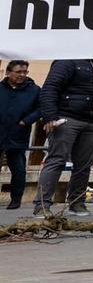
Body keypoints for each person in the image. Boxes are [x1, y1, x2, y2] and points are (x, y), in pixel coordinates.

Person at [34, 59, 93, 217]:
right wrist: (50, 116)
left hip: (92, 120)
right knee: (56, 161)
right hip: (66, 118)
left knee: (84, 165)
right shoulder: (66, 62)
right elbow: (50, 88)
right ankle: (41, 205)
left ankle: (77, 203)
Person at [0, 61, 40, 210]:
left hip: (18, 133)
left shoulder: (34, 90)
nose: (22, 75)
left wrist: (27, 121)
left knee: (18, 169)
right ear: (8, 73)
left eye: (25, 72)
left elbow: (41, 108)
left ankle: (15, 200)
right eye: (19, 72)